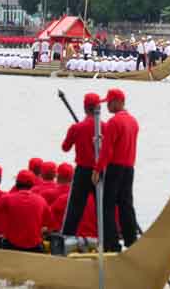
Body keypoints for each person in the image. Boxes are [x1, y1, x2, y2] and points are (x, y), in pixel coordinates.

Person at [93, 89, 139, 252]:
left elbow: (107, 150)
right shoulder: (133, 121)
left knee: (108, 206)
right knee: (126, 204)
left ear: (118, 102)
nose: (108, 106)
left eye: (110, 102)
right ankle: (131, 239)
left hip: (115, 167)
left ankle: (111, 243)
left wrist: (97, 169)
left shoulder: (114, 122)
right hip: (129, 167)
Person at [61, 93, 103, 237]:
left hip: (83, 172)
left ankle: (67, 237)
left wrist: (78, 134)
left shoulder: (77, 128)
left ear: (85, 108)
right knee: (103, 208)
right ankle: (108, 238)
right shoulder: (106, 127)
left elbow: (65, 147)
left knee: (75, 208)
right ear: (99, 108)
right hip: (100, 171)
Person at [0, 170, 52, 252]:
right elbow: (50, 224)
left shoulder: (8, 198)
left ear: (16, 183)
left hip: (11, 246)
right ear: (32, 184)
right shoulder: (41, 200)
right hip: (34, 247)